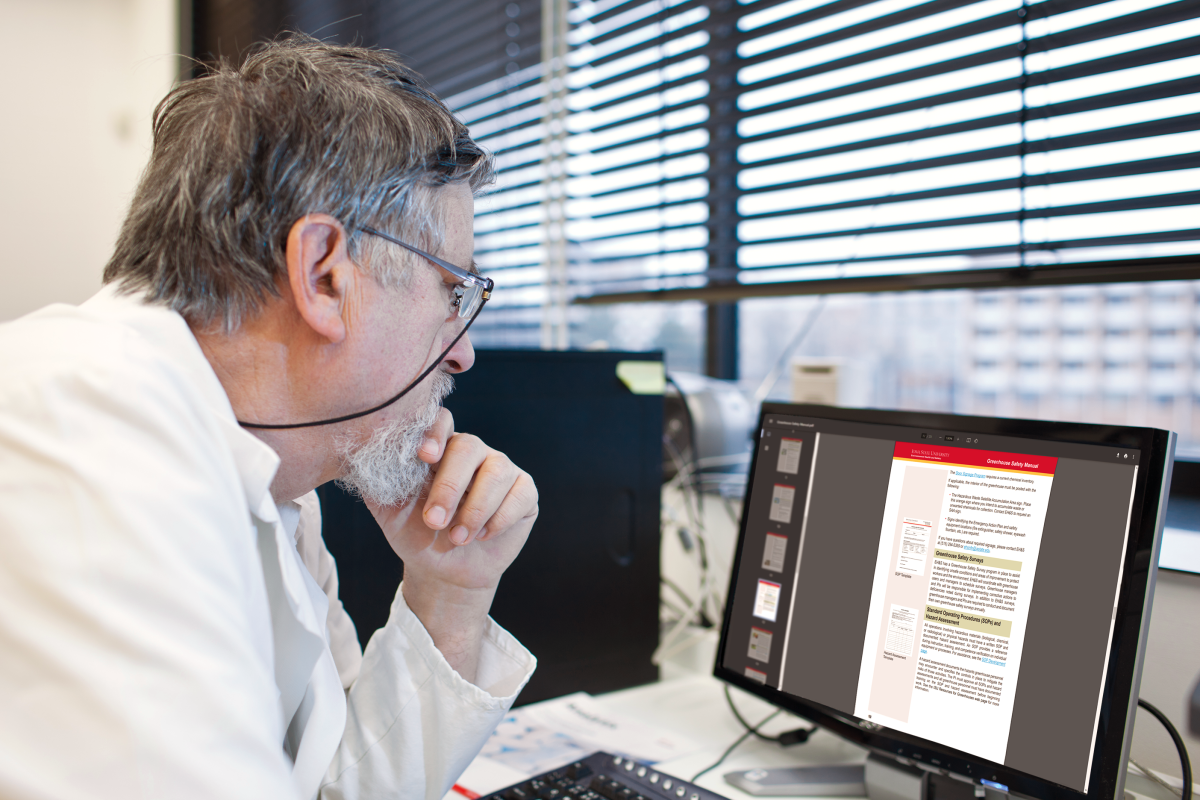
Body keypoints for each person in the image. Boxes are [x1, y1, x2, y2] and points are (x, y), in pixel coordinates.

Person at [0, 36, 538, 800]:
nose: (463, 354)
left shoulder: (271, 482)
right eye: (454, 293)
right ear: (324, 274)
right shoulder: (77, 435)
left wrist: (448, 591)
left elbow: (335, 788)